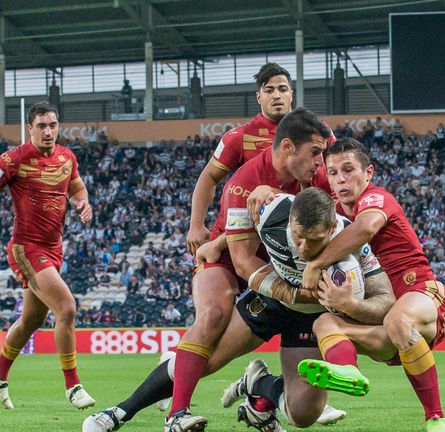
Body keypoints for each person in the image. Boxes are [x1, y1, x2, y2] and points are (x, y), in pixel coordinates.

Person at [83, 108, 342, 432]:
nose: (321, 162)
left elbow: (341, 225)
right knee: (211, 332)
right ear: (288, 147)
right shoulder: (243, 183)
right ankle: (126, 412)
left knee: (303, 415)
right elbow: (244, 260)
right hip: (265, 279)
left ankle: (258, 385)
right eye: (316, 153)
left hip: (296, 288)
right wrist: (289, 290)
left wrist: (274, 200)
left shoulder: (320, 179)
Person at [84, 188, 392, 432]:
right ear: (290, 222)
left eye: (314, 241)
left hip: (313, 318)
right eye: (298, 237)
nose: (303, 248)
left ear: (332, 229)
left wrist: (352, 305)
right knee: (203, 363)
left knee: (302, 415)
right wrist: (218, 243)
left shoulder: (354, 245)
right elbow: (243, 230)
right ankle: (119, 412)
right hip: (272, 299)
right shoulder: (273, 212)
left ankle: (257, 384)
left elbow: (385, 303)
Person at [296, 138, 445, 432]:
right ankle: (348, 369)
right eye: (333, 173)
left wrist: (316, 264)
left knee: (398, 317)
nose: (341, 179)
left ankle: (436, 419)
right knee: (324, 324)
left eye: (348, 170)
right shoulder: (334, 218)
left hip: (422, 298)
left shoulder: (376, 198)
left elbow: (365, 228)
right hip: (385, 324)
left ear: (368, 173)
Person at [0, 101, 96, 410]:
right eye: (41, 126)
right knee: (67, 308)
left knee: (31, 320)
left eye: (53, 125)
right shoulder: (12, 159)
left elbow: (77, 190)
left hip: (54, 249)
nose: (48, 131)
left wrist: (83, 203)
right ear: (30, 129)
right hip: (26, 248)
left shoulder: (67, 157)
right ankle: (73, 386)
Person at [186, 62, 293, 255]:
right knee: (209, 283)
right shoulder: (239, 136)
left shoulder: (316, 134)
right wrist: (196, 224)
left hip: (295, 230)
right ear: (258, 97)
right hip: (243, 234)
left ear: (291, 93)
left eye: (282, 89)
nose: (277, 95)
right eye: (269, 90)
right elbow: (209, 177)